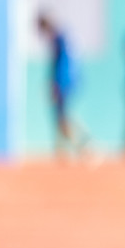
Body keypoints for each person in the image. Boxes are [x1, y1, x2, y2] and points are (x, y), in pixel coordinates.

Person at [37, 13, 88, 160]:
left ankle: (83, 144)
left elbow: (62, 63)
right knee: (61, 115)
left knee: (63, 116)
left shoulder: (58, 38)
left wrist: (56, 83)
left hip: (64, 81)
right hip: (66, 80)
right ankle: (63, 148)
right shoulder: (61, 35)